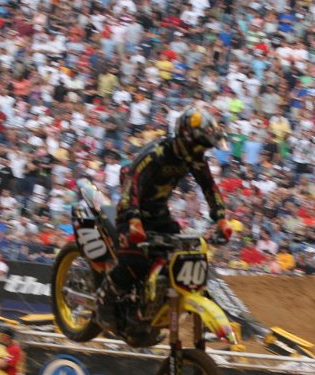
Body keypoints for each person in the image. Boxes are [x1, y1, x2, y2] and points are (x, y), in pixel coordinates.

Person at [95, 105, 233, 331]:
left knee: (182, 254)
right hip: (131, 213)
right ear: (187, 138)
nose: (203, 150)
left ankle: (151, 306)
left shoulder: (194, 158)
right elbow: (131, 184)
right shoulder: (156, 154)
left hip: (160, 216)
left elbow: (209, 187)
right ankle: (104, 302)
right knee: (135, 260)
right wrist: (133, 220)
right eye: (201, 144)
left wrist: (221, 219)